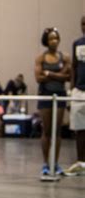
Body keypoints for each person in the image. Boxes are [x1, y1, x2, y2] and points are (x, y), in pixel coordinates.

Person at [34, 27, 71, 177]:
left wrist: (49, 73)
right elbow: (38, 78)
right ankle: (45, 164)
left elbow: (68, 77)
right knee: (47, 131)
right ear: (46, 41)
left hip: (60, 95)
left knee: (57, 131)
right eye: (51, 38)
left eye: (56, 38)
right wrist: (58, 75)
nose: (54, 41)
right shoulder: (40, 58)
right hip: (45, 95)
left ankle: (55, 163)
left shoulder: (65, 57)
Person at [64, 16, 85, 177]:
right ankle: (81, 163)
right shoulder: (77, 43)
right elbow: (74, 68)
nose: (84, 26)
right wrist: (71, 91)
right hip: (79, 90)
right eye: (82, 24)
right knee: (79, 128)